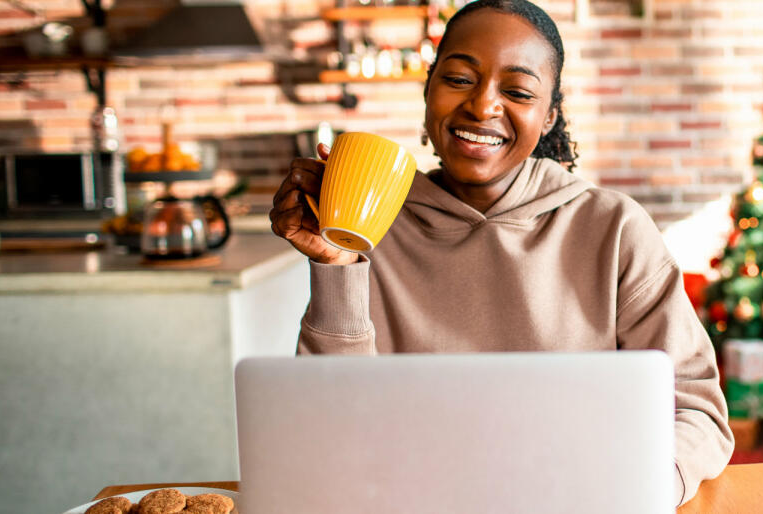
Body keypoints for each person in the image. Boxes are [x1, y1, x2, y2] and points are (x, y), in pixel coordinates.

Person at [269, 0, 732, 505]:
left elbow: (697, 411)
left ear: (549, 115)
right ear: (428, 91)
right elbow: (333, 426)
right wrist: (337, 266)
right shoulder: (371, 230)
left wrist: (643, 489)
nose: (483, 105)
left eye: (516, 91)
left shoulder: (613, 228)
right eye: (460, 79)